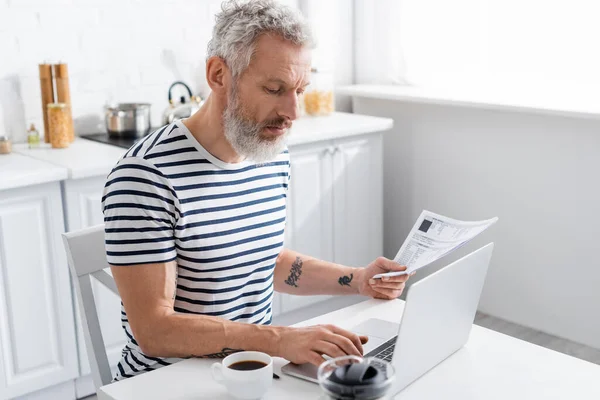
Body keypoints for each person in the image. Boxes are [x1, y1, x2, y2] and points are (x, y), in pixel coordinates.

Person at [102, 0, 412, 381]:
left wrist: (357, 279)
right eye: (274, 88)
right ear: (218, 74)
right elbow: (154, 331)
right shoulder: (146, 176)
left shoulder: (267, 153)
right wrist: (281, 340)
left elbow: (265, 261)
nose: (293, 112)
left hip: (253, 374)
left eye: (300, 90)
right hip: (167, 383)